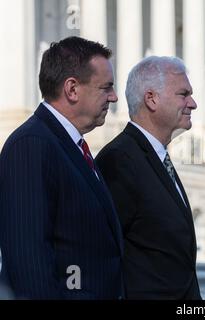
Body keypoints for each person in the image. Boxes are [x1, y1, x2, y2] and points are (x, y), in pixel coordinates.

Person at [0, 36, 123, 299]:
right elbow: (29, 264)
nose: (113, 97)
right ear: (72, 89)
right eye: (106, 87)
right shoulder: (31, 145)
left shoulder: (70, 146)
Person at [95, 56, 201, 299]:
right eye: (183, 94)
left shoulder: (157, 158)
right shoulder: (119, 160)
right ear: (151, 99)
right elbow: (104, 252)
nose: (192, 103)